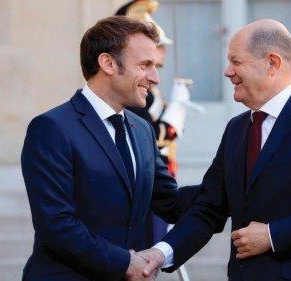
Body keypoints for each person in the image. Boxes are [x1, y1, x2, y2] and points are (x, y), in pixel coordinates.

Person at [138, 19, 291, 281]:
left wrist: (272, 235)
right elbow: (209, 207)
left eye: (236, 62)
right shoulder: (237, 129)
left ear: (272, 63)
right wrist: (160, 253)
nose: (227, 72)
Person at [21, 16, 198, 281]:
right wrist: (125, 262)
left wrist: (230, 181)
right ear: (108, 63)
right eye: (145, 65)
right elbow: (56, 224)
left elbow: (170, 203)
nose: (155, 77)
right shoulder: (52, 128)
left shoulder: (142, 130)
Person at [115, 0, 194, 249]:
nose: (154, 75)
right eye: (145, 65)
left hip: (158, 183)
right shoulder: (134, 93)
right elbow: (158, 135)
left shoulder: (148, 91)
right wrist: (178, 110)